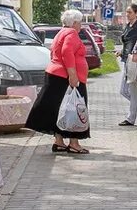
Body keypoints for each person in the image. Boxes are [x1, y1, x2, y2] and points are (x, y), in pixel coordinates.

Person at [25, 9, 90, 154]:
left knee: (60, 109)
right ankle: (74, 143)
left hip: (56, 75)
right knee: (74, 108)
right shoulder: (72, 33)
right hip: (66, 78)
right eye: (79, 23)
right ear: (74, 23)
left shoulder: (61, 32)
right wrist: (73, 75)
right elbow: (67, 52)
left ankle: (59, 141)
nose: (81, 26)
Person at [117, 3, 137, 126]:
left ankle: (132, 117)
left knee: (130, 90)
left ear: (136, 13)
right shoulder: (128, 26)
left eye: (130, 12)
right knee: (125, 91)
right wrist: (121, 52)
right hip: (127, 60)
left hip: (134, 61)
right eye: (126, 12)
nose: (127, 14)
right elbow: (127, 43)